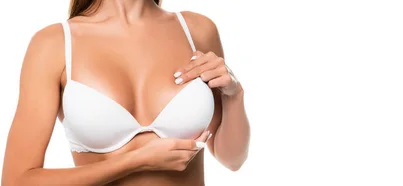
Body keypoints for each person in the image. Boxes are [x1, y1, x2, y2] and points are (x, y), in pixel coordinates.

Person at [1, 0, 250, 185]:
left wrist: (234, 95)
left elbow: (232, 160)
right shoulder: (54, 44)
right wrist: (135, 161)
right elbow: (17, 180)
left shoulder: (196, 30)